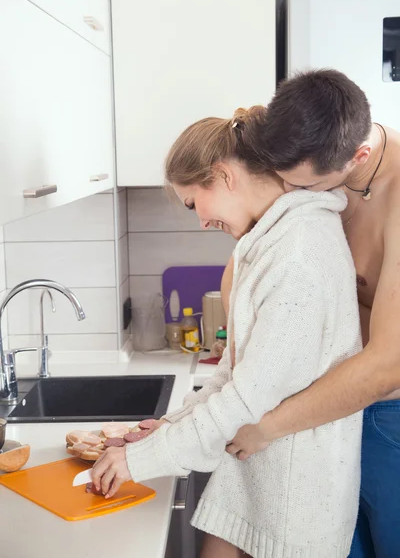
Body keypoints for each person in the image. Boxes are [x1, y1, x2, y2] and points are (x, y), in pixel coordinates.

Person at [92, 108, 362, 558]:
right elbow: (237, 374)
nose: (199, 221)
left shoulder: (298, 254)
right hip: (257, 472)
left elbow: (247, 398)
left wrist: (139, 459)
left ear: (222, 175)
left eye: (193, 203)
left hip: (295, 494)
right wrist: (167, 429)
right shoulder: (271, 242)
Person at [223, 69, 400, 558]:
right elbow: (251, 257)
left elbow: (387, 367)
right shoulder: (313, 159)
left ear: (358, 157)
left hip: (390, 420)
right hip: (324, 413)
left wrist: (269, 426)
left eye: (311, 186)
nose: (300, 195)